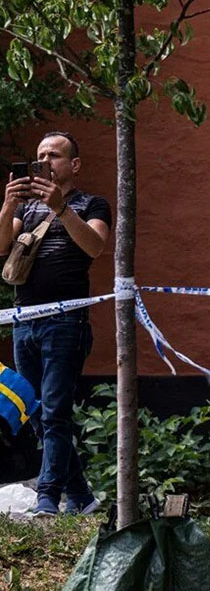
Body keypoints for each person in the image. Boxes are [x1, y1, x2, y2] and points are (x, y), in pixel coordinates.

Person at [1, 131, 111, 517]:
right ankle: (81, 496)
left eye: (55, 156)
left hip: (66, 321)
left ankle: (48, 498)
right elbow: (1, 248)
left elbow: (95, 247)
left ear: (73, 165)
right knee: (35, 412)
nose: (46, 162)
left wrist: (62, 209)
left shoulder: (91, 204)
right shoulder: (26, 210)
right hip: (24, 321)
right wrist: (6, 206)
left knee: (55, 411)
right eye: (40, 155)